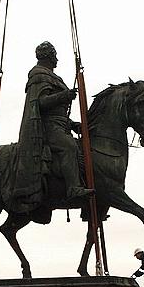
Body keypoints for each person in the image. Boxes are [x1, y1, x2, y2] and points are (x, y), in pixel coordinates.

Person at [13, 41, 93, 214]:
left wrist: (72, 124)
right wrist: (64, 95)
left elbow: (58, 111)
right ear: (48, 56)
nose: (57, 60)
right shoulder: (38, 75)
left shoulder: (53, 77)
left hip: (60, 125)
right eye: (55, 56)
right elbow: (40, 103)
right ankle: (73, 188)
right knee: (68, 147)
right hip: (47, 128)